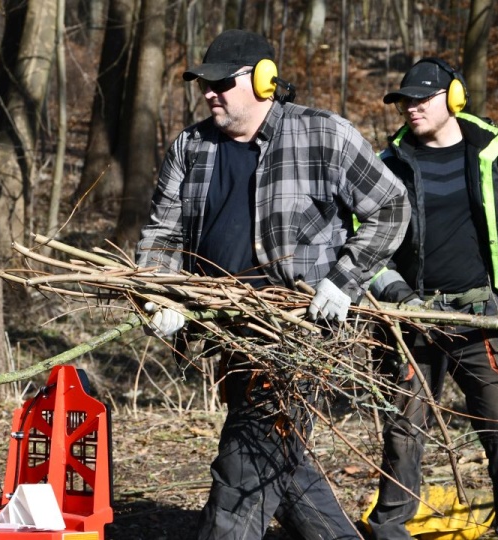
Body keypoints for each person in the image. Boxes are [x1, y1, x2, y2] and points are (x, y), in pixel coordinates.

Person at [135, 28, 410, 540]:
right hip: (228, 328)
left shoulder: (322, 134)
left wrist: (342, 281)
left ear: (263, 80)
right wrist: (159, 292)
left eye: (221, 82)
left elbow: (391, 207)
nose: (210, 92)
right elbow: (163, 231)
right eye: (204, 83)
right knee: (283, 462)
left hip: (295, 331)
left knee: (245, 466)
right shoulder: (191, 146)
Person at [363, 58, 498, 540]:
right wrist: (395, 294)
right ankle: (390, 528)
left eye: (422, 98)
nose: (411, 108)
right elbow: (364, 241)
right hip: (411, 317)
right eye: (404, 101)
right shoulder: (385, 164)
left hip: (487, 317)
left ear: (454, 97)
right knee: (402, 429)